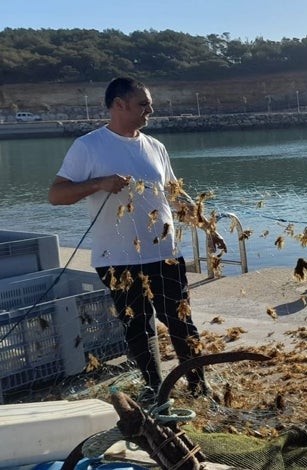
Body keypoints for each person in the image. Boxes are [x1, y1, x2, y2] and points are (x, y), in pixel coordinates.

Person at [49, 77, 207, 403]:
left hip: (164, 251)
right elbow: (56, 194)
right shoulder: (88, 146)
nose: (150, 110)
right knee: (138, 327)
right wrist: (99, 183)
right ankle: (156, 391)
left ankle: (200, 387)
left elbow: (174, 193)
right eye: (143, 104)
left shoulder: (155, 146)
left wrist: (204, 223)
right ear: (119, 105)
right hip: (116, 257)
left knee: (181, 321)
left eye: (148, 104)